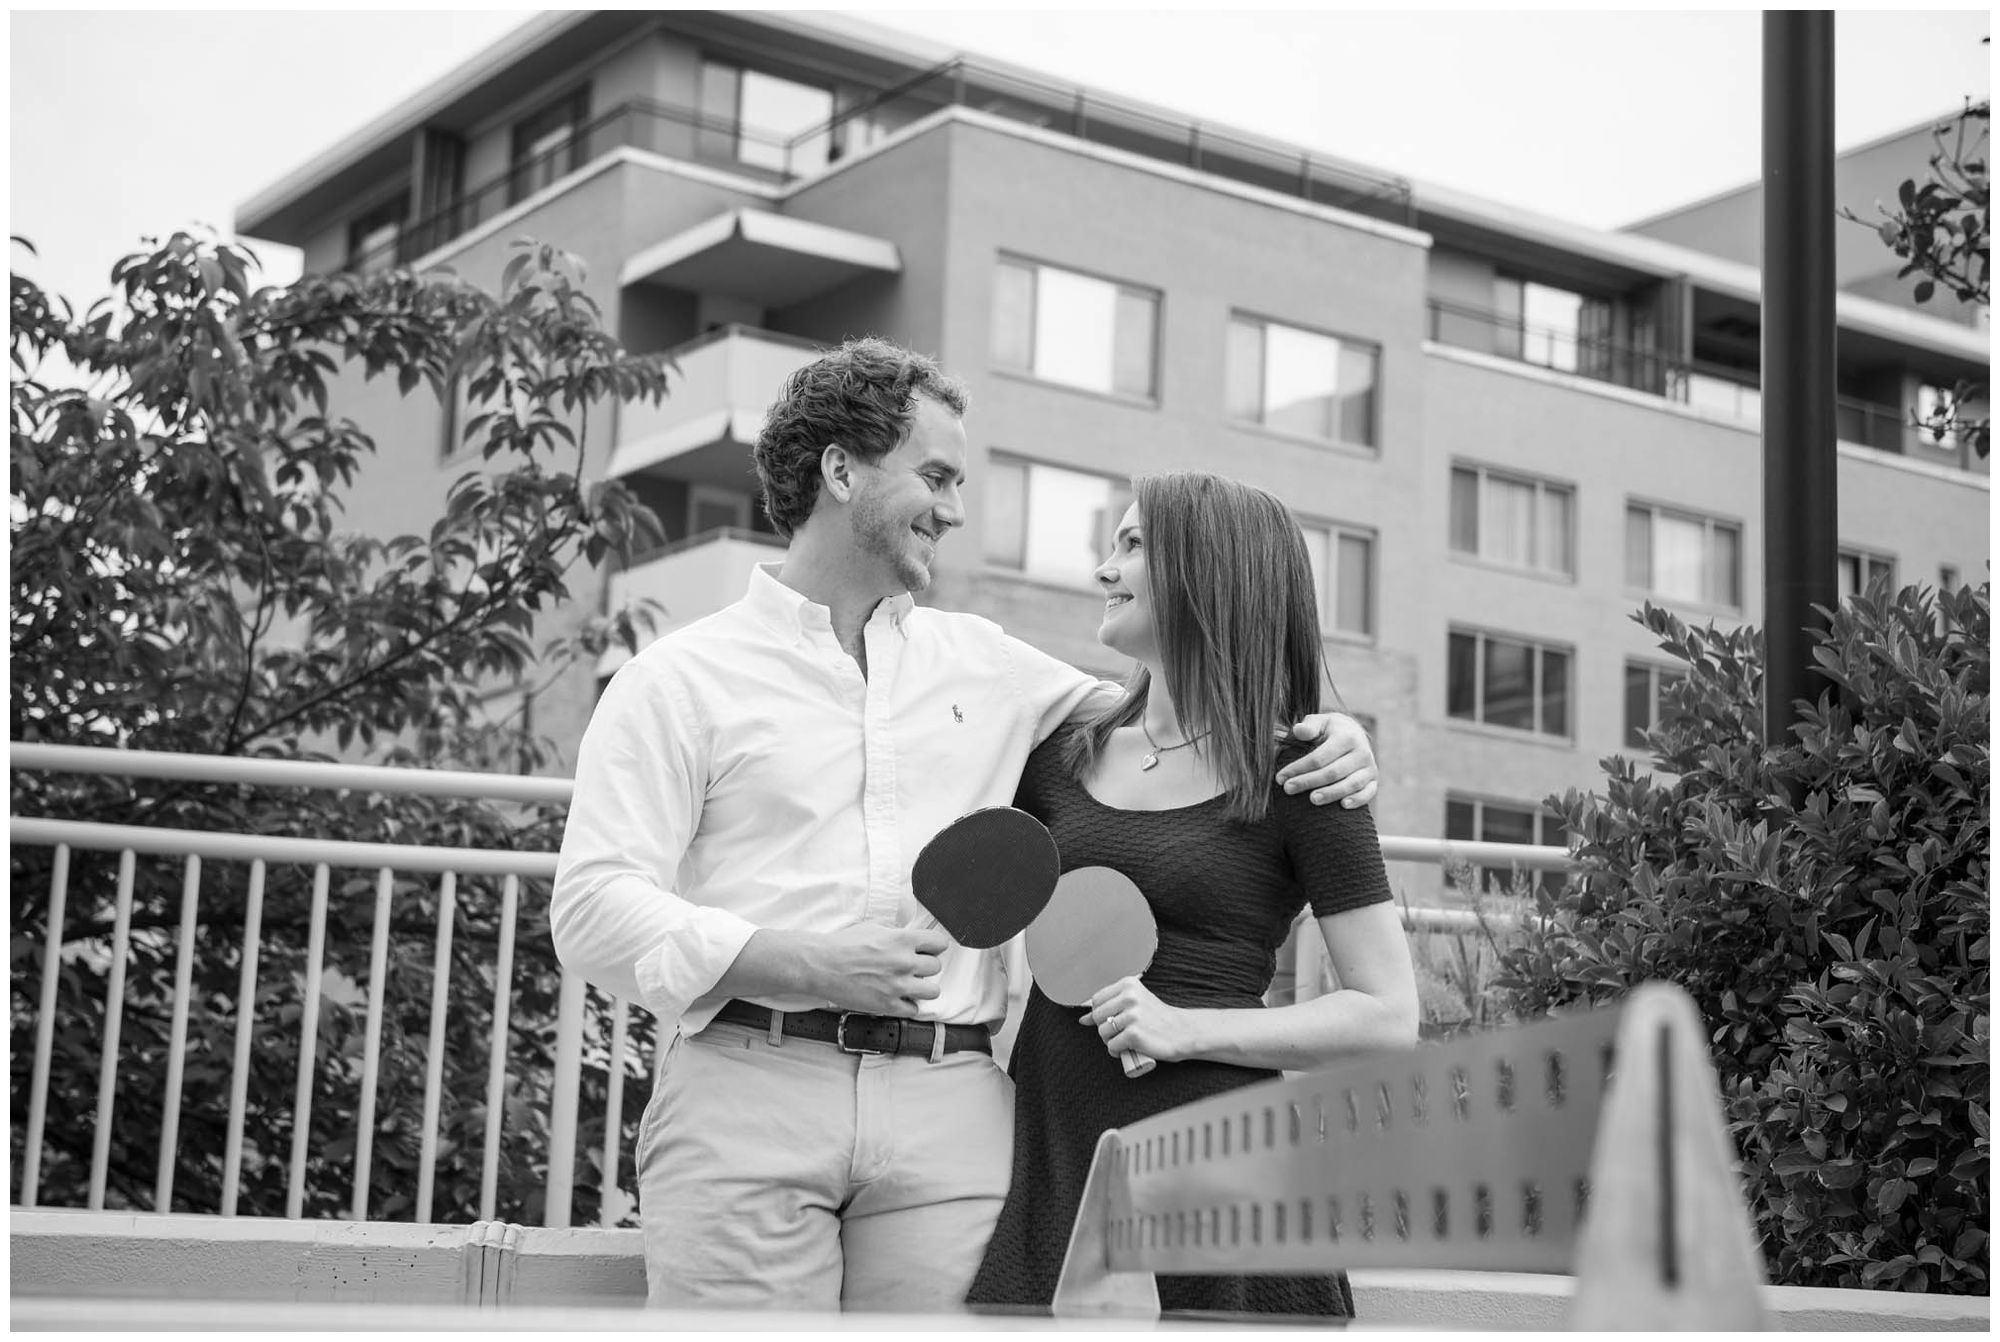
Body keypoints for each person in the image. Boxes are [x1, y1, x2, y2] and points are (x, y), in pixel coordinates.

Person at [550, 339, 1381, 1314]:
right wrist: (808, 963)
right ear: (841, 469)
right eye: (935, 475)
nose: (952, 508)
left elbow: (1178, 726)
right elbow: (593, 911)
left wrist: (1331, 732)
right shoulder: (675, 681)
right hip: (742, 1092)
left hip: (953, 1106)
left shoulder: (991, 667)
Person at [965, 471, 1420, 1319]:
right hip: (1053, 1152)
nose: (1106, 569)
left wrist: (1185, 1028)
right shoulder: (1060, 755)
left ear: (1211, 571)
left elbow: (1389, 1016)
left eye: (1132, 545)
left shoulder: (1302, 776)